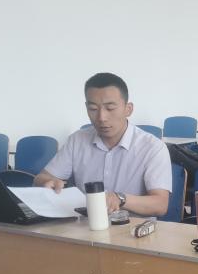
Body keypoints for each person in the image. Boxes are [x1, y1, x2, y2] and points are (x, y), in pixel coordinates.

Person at [35, 72, 170, 217]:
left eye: (110, 108)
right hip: (85, 225)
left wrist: (120, 198)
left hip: (132, 228)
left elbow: (160, 205)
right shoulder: (77, 140)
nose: (101, 118)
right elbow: (40, 178)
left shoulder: (152, 147)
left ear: (128, 109)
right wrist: (47, 182)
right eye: (93, 109)